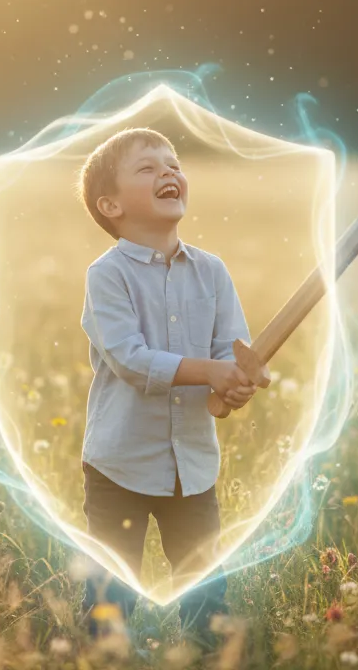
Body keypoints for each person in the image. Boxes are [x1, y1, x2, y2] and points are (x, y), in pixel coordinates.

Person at [74, 127, 265, 650]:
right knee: (112, 589)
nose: (169, 172)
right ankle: (105, 655)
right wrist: (209, 372)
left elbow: (230, 353)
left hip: (192, 465)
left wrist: (234, 386)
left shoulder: (212, 271)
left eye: (174, 163)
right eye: (148, 167)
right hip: (121, 465)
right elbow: (131, 360)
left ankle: (208, 652)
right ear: (111, 205)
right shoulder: (107, 275)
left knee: (205, 587)